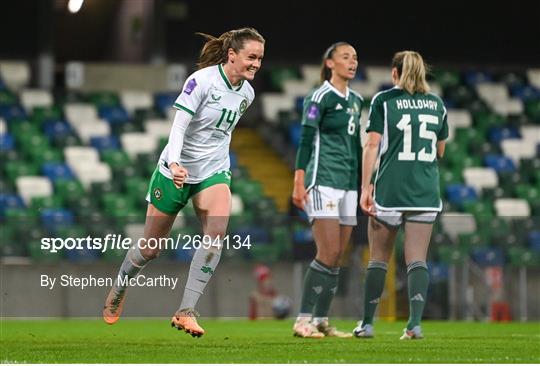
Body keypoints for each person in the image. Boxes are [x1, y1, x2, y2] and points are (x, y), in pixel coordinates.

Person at [102, 27, 265, 337]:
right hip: (174, 171)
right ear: (232, 55)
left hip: (213, 171)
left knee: (215, 235)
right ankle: (120, 287)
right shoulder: (201, 81)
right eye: (251, 57)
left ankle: (186, 311)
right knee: (150, 248)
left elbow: (220, 135)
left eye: (260, 58)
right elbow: (179, 125)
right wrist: (175, 162)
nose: (256, 64)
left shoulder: (247, 93)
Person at [352, 51, 448, 340]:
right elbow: (440, 150)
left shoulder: (384, 101)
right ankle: (414, 325)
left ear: (394, 73)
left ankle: (367, 324)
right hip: (425, 190)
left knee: (379, 258)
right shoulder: (437, 104)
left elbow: (371, 145)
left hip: (391, 189)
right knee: (417, 259)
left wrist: (365, 186)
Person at [291, 42, 364, 338]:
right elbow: (306, 140)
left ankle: (321, 319)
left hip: (348, 184)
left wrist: (362, 183)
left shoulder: (357, 99)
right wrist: (298, 181)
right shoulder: (319, 96)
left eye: (355, 58)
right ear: (330, 63)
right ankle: (302, 320)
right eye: (346, 57)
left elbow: (356, 146)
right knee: (327, 251)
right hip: (322, 180)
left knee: (338, 256)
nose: (352, 62)